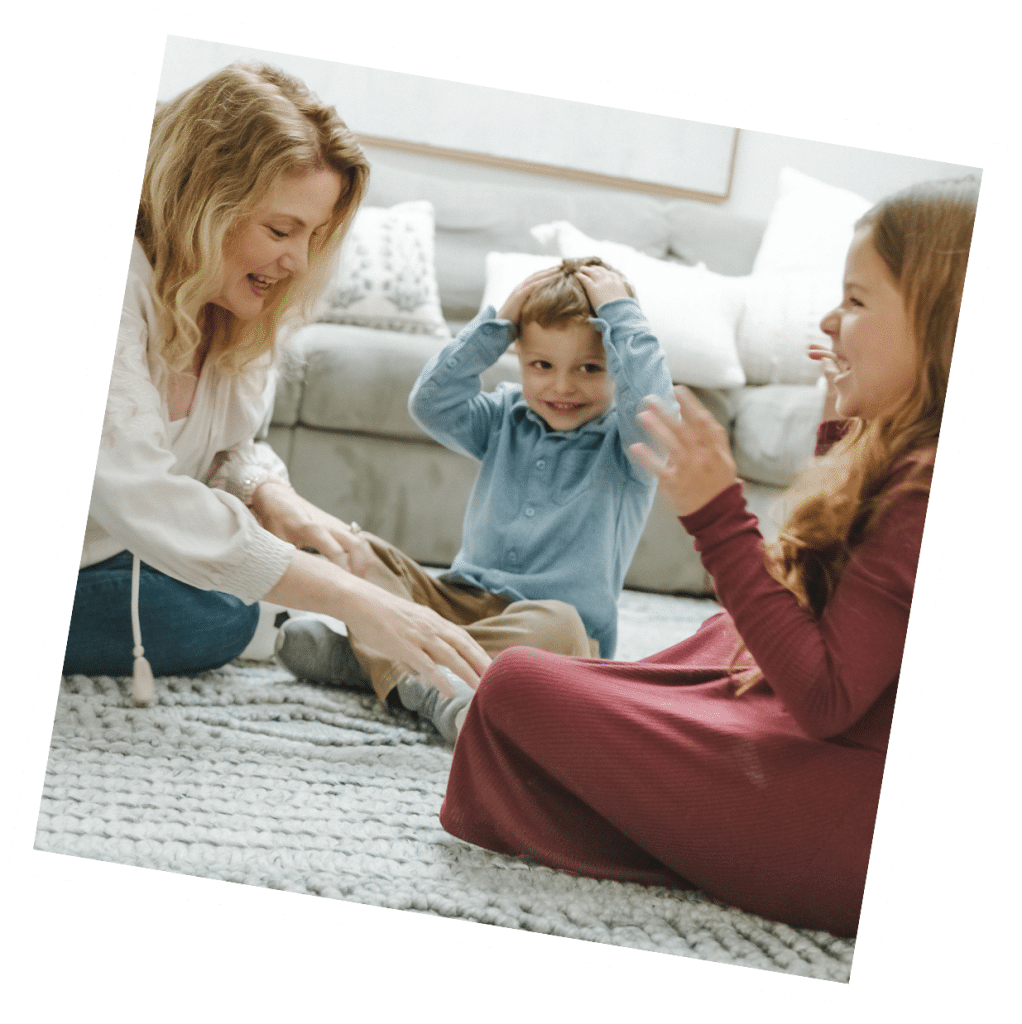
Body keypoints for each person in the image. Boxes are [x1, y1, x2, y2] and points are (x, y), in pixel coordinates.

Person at [438, 177, 979, 937]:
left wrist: (716, 516)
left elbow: (823, 697)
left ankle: (643, 810)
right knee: (723, 640)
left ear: (944, 325)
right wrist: (841, 434)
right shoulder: (921, 456)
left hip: (855, 818)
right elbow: (835, 588)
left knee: (518, 688)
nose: (830, 319)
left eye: (856, 303)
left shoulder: (929, 491)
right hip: (850, 749)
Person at [64, 63, 491, 706]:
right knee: (230, 612)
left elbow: (222, 447)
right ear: (200, 202)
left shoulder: (235, 309)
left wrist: (268, 492)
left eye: (314, 235)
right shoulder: (107, 287)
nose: (296, 261)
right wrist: (356, 599)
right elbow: (139, 490)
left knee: (239, 598)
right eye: (280, 229)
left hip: (110, 549)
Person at [277, 258, 675, 740]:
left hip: (549, 630)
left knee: (559, 626)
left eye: (590, 369)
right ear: (520, 356)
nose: (562, 386)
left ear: (617, 367)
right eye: (541, 365)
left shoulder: (627, 447)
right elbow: (431, 402)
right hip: (455, 600)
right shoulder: (506, 414)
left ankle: (381, 660)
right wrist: (497, 325)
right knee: (356, 554)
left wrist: (623, 315)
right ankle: (419, 668)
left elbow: (655, 415)